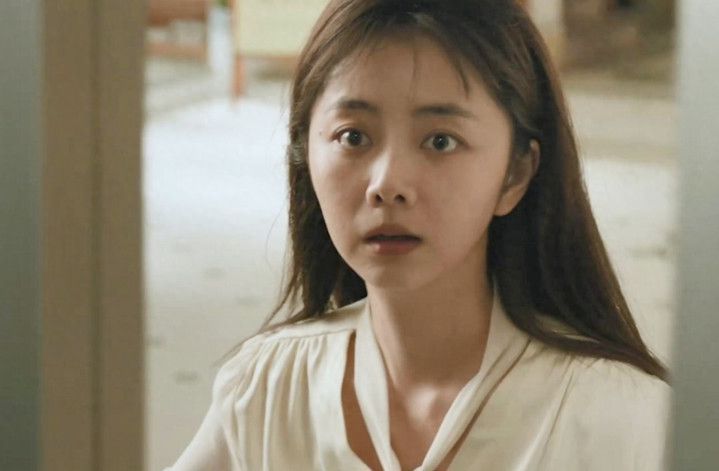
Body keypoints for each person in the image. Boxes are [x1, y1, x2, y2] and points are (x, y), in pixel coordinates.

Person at [166, 0, 671, 469]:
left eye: (440, 141)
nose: (387, 184)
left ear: (515, 173)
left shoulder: (613, 418)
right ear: (304, 154)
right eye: (353, 137)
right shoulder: (268, 389)